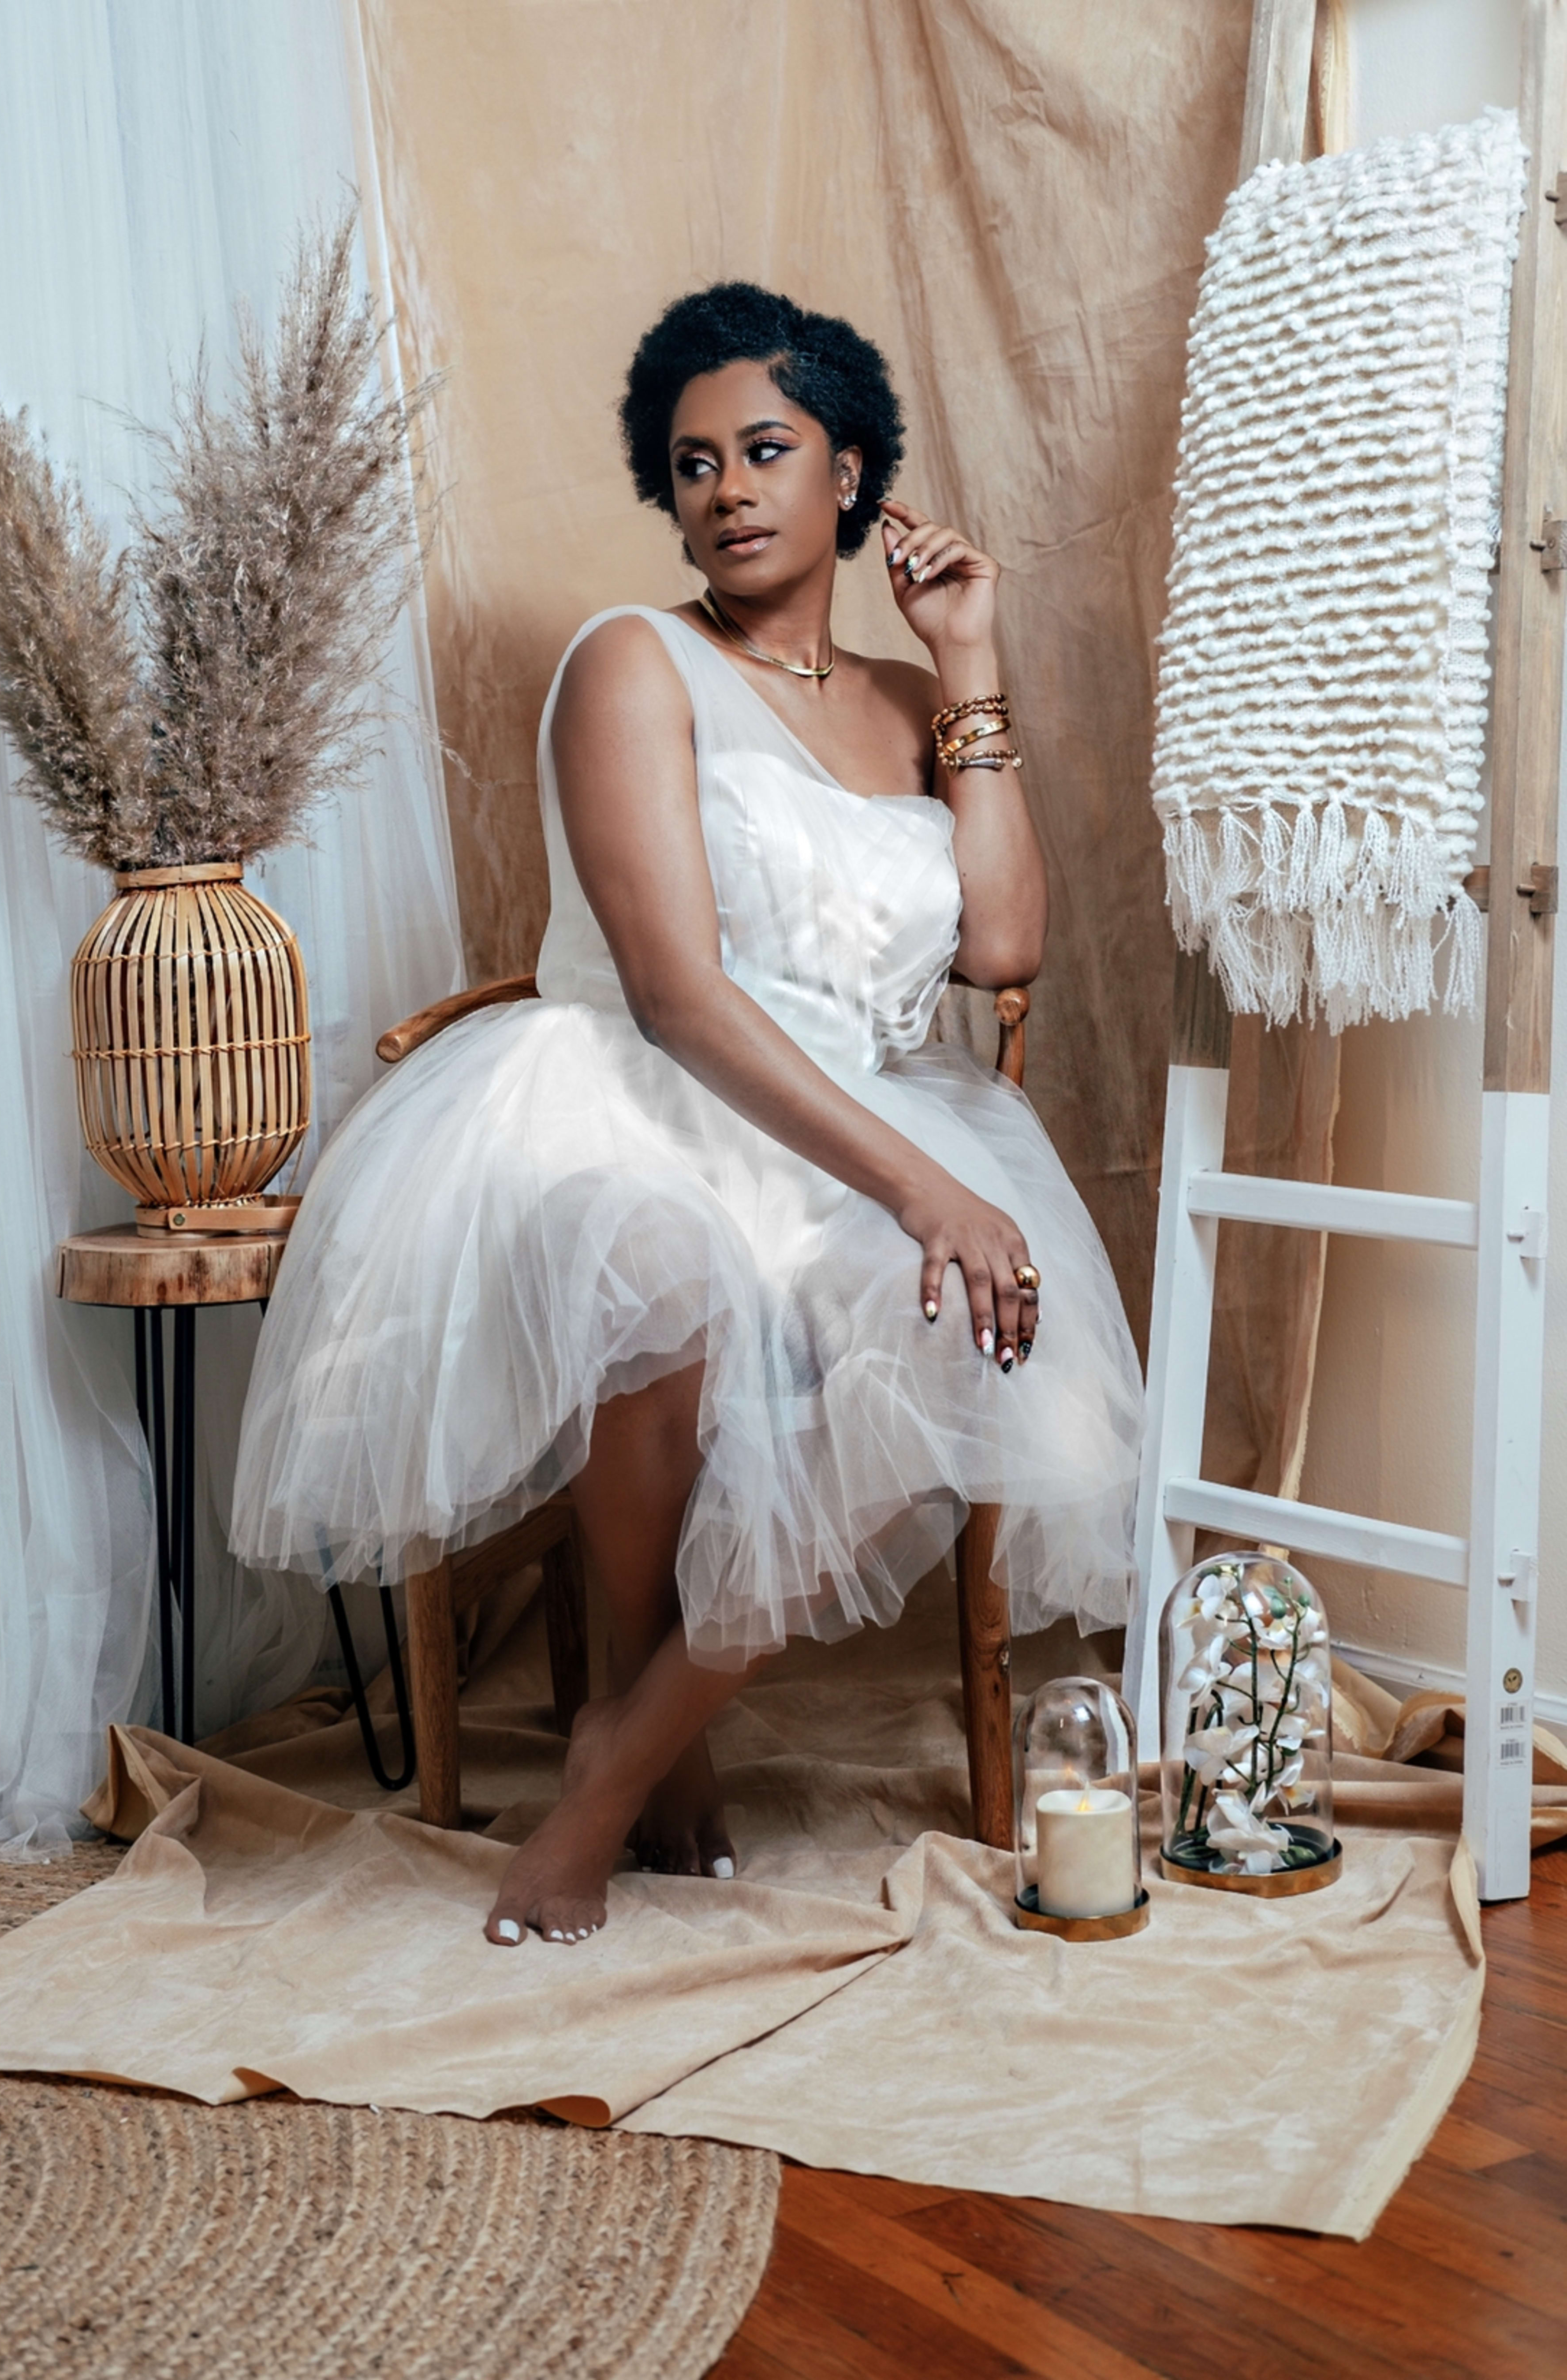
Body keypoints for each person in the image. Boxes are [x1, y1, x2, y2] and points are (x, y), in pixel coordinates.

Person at [231, 282, 1143, 1948]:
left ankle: (623, 1744)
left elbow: (1003, 945)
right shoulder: (629, 662)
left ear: (852, 475)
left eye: (767, 449)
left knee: (957, 1348)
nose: (725, 486)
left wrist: (973, 666)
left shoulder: (906, 701)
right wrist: (926, 1188)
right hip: (635, 1102)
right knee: (652, 1273)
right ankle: (648, 1764)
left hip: (854, 1121)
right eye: (693, 460)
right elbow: (673, 993)